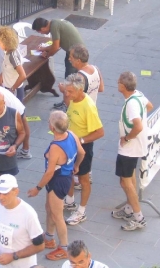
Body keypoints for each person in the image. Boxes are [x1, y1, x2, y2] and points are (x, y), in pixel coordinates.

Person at [28, 111, 85, 261]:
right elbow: (82, 152)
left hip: (57, 181)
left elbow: (48, 173)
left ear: (52, 127)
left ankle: (64, 248)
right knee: (49, 208)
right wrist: (76, 166)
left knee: (57, 215)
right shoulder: (71, 134)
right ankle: (49, 237)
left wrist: (37, 188)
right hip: (64, 178)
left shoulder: (55, 147)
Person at [112, 72, 153, 231]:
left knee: (125, 182)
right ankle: (129, 207)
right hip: (137, 146)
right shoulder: (138, 95)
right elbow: (149, 106)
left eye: (119, 81)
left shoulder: (131, 104)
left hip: (129, 148)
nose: (117, 82)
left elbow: (138, 126)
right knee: (129, 178)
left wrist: (127, 138)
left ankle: (139, 217)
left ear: (124, 86)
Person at [63, 73, 104, 226]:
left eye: (70, 92)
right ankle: (69, 200)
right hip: (71, 144)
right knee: (68, 173)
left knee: (83, 179)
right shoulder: (74, 99)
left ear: (80, 90)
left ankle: (81, 211)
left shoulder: (88, 107)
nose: (67, 94)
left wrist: (81, 141)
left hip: (83, 147)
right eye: (66, 91)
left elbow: (100, 132)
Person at [0, 174, 45, 267]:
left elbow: (40, 246)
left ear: (16, 192)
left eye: (5, 193)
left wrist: (13, 256)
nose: (1, 197)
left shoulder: (28, 214)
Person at [55, 44, 104, 111]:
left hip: (80, 113)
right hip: (92, 109)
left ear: (78, 61)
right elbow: (101, 88)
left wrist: (64, 90)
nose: (69, 59)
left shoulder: (78, 78)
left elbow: (68, 103)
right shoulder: (96, 69)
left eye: (71, 57)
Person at [0, 26, 27, 102]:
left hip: (14, 90)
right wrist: (1, 75)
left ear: (5, 41)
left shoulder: (12, 55)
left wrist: (12, 89)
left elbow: (23, 75)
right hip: (7, 87)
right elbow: (8, 67)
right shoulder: (7, 52)